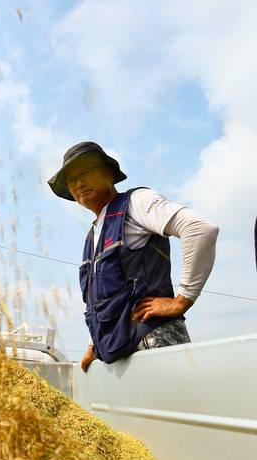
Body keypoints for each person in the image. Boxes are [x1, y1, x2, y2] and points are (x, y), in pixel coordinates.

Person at [48, 141, 219, 372]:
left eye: (87, 172)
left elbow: (199, 230)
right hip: (118, 351)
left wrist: (182, 300)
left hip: (153, 341)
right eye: (72, 180)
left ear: (109, 173)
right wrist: (93, 343)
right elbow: (100, 301)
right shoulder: (92, 236)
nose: (79, 183)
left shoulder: (136, 202)